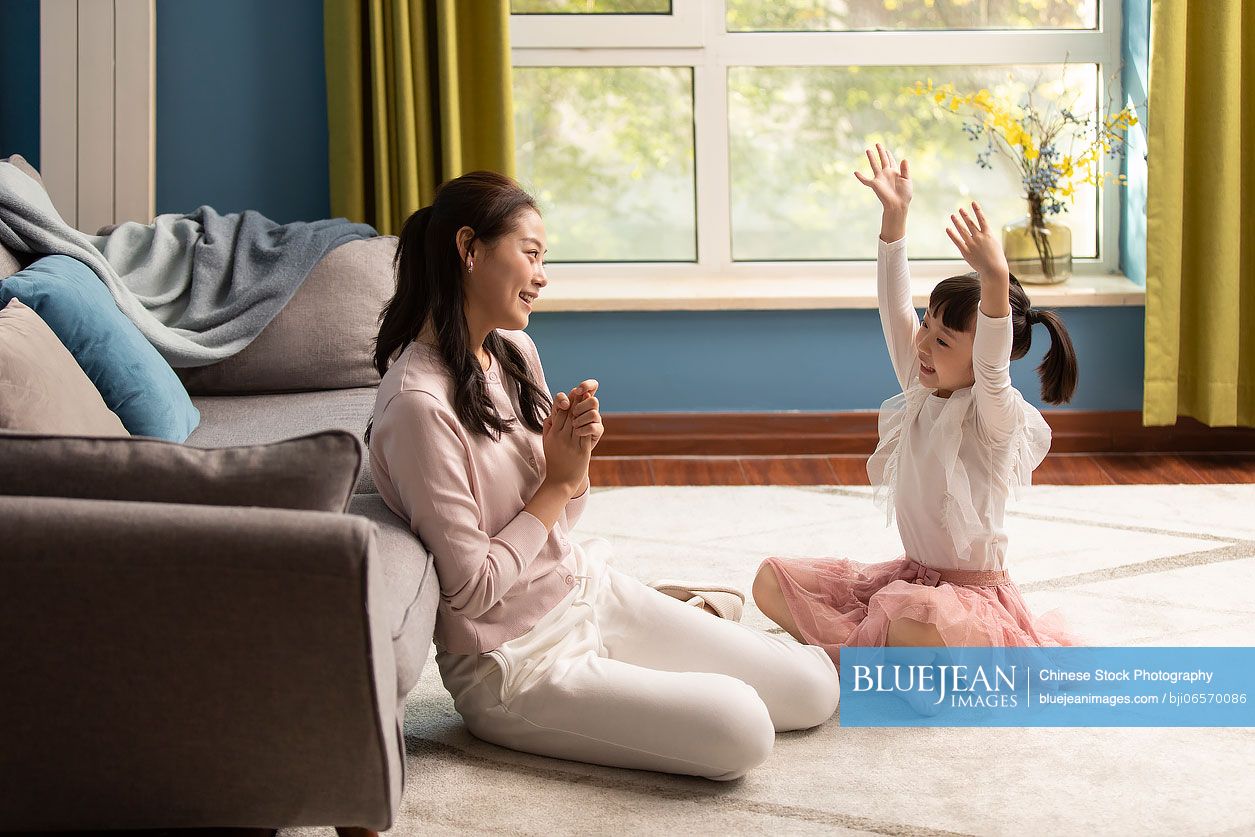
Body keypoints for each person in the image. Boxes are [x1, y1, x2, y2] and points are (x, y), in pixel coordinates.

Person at [368, 171, 839, 781]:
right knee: (743, 729)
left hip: (585, 590)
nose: (542, 275)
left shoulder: (512, 353)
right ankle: (687, 624)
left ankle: (680, 624)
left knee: (813, 688)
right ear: (469, 249)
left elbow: (560, 523)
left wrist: (575, 464)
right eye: (531, 254)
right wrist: (556, 484)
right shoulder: (418, 407)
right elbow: (470, 590)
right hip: (516, 663)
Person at [753, 145, 1079, 664]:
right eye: (927, 325)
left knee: (911, 622)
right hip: (910, 581)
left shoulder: (995, 415)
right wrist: (894, 219)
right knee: (771, 579)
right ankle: (878, 661)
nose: (923, 344)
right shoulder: (921, 382)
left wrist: (995, 279)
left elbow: (992, 366)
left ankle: (865, 659)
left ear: (981, 358)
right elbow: (893, 305)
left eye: (944, 340)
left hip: (971, 602)